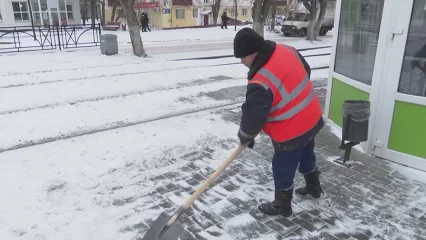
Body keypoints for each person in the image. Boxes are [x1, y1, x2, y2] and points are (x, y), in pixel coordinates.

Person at [234, 28, 324, 217]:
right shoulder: (286, 49)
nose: (242, 62)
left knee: (282, 166)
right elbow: (305, 71)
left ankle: (282, 205)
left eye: (243, 57)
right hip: (311, 116)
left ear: (254, 52)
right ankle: (314, 187)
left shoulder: (260, 82)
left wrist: (245, 135)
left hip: (290, 130)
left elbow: (253, 116)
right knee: (307, 152)